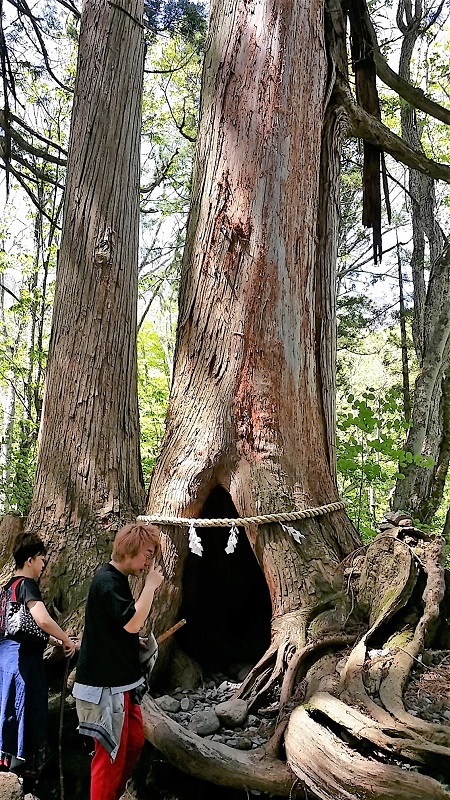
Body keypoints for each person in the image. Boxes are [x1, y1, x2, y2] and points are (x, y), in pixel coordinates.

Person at [73, 521, 164, 800]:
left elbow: (116, 627)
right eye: (147, 555)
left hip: (121, 683)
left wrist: (131, 644)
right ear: (130, 549)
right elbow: (132, 622)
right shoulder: (107, 581)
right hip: (103, 686)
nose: (149, 563)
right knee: (109, 757)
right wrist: (150, 587)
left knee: (134, 742)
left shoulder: (117, 580)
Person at [0, 532, 76, 782]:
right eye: (42, 560)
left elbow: (21, 625)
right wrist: (66, 640)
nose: (44, 565)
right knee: (27, 711)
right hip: (24, 662)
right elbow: (42, 619)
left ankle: (7, 766)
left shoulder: (7, 588)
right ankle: (22, 770)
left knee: (8, 709)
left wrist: (54, 641)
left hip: (6, 659)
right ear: (30, 559)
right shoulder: (27, 585)